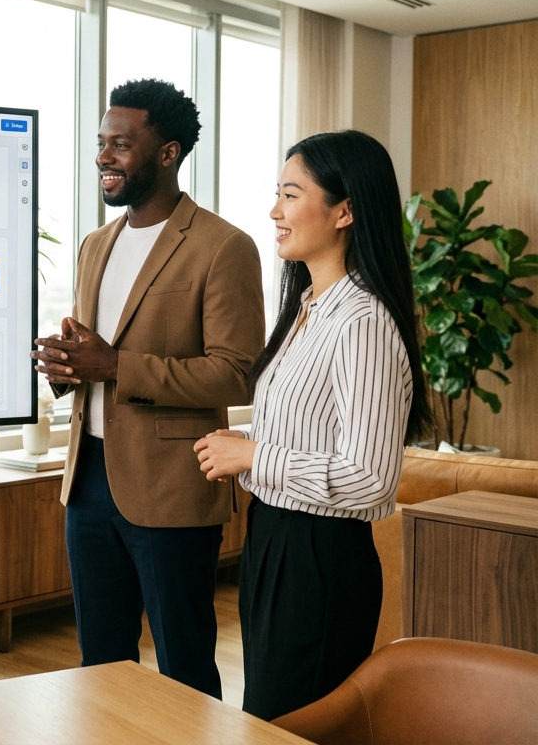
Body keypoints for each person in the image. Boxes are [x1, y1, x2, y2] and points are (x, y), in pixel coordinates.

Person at [31, 79, 265, 697]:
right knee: (100, 662)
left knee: (184, 666)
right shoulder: (94, 246)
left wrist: (115, 366)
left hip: (172, 485)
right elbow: (96, 360)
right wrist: (67, 370)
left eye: (121, 144)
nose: (105, 156)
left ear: (167, 152)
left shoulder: (224, 247)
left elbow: (235, 371)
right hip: (87, 482)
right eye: (101, 143)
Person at [194, 130, 432, 720]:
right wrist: (245, 442)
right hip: (274, 540)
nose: (275, 211)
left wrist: (253, 458)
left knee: (293, 725)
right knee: (271, 719)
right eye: (277, 194)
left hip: (320, 559)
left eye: (292, 195)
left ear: (345, 211)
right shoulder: (308, 309)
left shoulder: (362, 322)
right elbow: (311, 433)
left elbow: (372, 480)